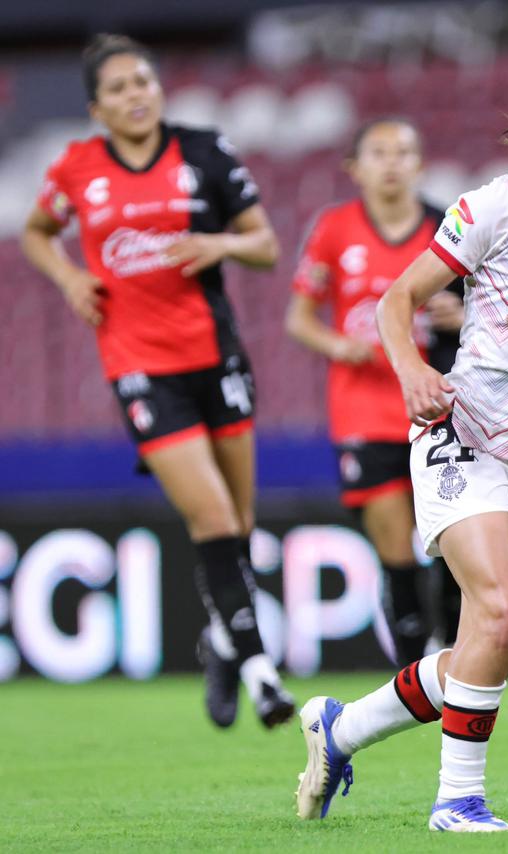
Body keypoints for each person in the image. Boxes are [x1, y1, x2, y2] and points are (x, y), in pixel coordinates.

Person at [293, 46, 508, 831]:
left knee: (490, 649)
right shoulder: (492, 208)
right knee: (504, 608)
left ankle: (339, 731)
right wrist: (411, 368)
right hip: (463, 429)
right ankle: (457, 802)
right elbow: (396, 299)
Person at [20, 34, 293, 729]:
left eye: (144, 81)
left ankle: (224, 640)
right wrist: (70, 276)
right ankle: (263, 671)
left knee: (241, 525)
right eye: (118, 88)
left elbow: (264, 244)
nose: (136, 94)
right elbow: (36, 231)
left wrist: (219, 243)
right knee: (213, 519)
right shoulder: (78, 169)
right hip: (140, 367)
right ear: (96, 108)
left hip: (217, 357)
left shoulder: (202, 151)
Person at [285, 118, 464, 666]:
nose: (391, 162)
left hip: (439, 406)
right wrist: (337, 345)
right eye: (378, 152)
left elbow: (495, 311)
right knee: (397, 554)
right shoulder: (335, 229)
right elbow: (299, 318)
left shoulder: (448, 226)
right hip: (364, 410)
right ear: (355, 169)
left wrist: (462, 313)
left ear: (419, 163)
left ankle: (460, 669)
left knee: (454, 551)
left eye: (403, 151)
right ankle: (410, 677)